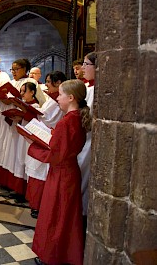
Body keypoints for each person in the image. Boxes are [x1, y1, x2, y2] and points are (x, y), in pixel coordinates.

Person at [28, 79, 91, 265]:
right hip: (70, 171)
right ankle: (65, 254)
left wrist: (32, 144)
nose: (57, 99)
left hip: (61, 174)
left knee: (54, 215)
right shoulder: (77, 117)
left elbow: (55, 155)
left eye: (61, 95)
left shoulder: (66, 122)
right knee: (67, 217)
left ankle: (51, 257)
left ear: (71, 98)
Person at [0, 58, 46, 192]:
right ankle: (5, 180)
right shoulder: (10, 82)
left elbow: (40, 102)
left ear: (25, 69)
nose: (13, 72)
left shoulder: (31, 82)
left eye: (16, 69)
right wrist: (2, 99)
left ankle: (18, 184)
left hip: (21, 122)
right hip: (8, 120)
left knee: (17, 153)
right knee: (6, 151)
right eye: (12, 69)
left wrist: (18, 101)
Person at [25, 71, 67, 218]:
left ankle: (40, 204)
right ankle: (34, 202)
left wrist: (33, 112)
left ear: (58, 82)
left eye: (49, 82)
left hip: (48, 137)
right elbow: (44, 113)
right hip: (42, 134)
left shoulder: (59, 100)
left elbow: (49, 119)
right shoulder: (52, 98)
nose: (46, 84)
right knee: (35, 169)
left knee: (41, 171)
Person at [78, 51, 96, 238]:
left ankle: (82, 217)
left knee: (84, 180)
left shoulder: (95, 90)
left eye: (86, 64)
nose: (83, 68)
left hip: (88, 142)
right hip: (83, 140)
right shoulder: (87, 88)